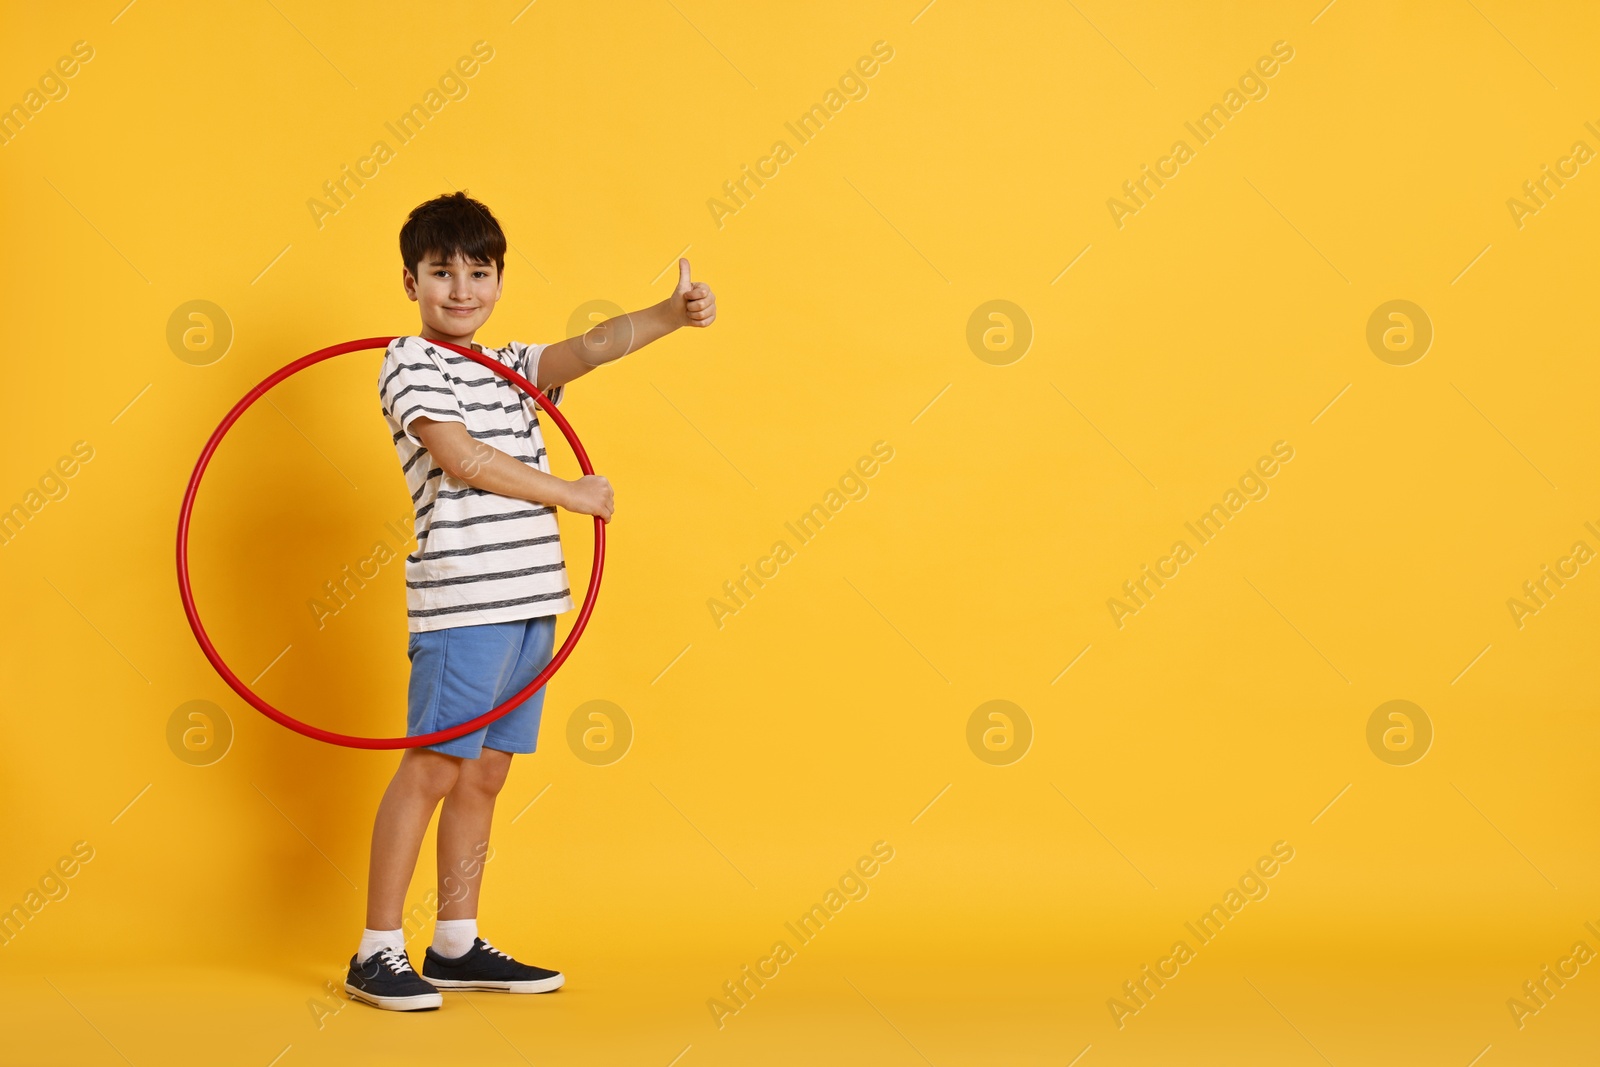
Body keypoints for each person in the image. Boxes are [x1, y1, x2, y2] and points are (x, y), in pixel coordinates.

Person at [345, 191, 717, 1011]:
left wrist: (670, 311)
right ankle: (376, 951)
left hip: (530, 603)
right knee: (436, 764)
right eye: (442, 272)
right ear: (410, 281)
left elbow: (591, 347)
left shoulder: (510, 365)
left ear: (499, 280)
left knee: (484, 775)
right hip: (464, 602)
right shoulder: (412, 361)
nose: (461, 289)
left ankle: (455, 942)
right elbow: (464, 457)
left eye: (478, 272)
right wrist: (569, 492)